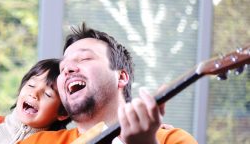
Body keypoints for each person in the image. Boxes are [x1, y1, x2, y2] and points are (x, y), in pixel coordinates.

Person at [19, 23, 198, 144]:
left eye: (84, 58)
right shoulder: (38, 142)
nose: (67, 69)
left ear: (121, 77)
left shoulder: (172, 140)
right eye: (63, 67)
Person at [0, 59, 71, 144]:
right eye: (31, 85)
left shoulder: (56, 142)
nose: (34, 94)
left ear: (63, 113)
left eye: (47, 94)